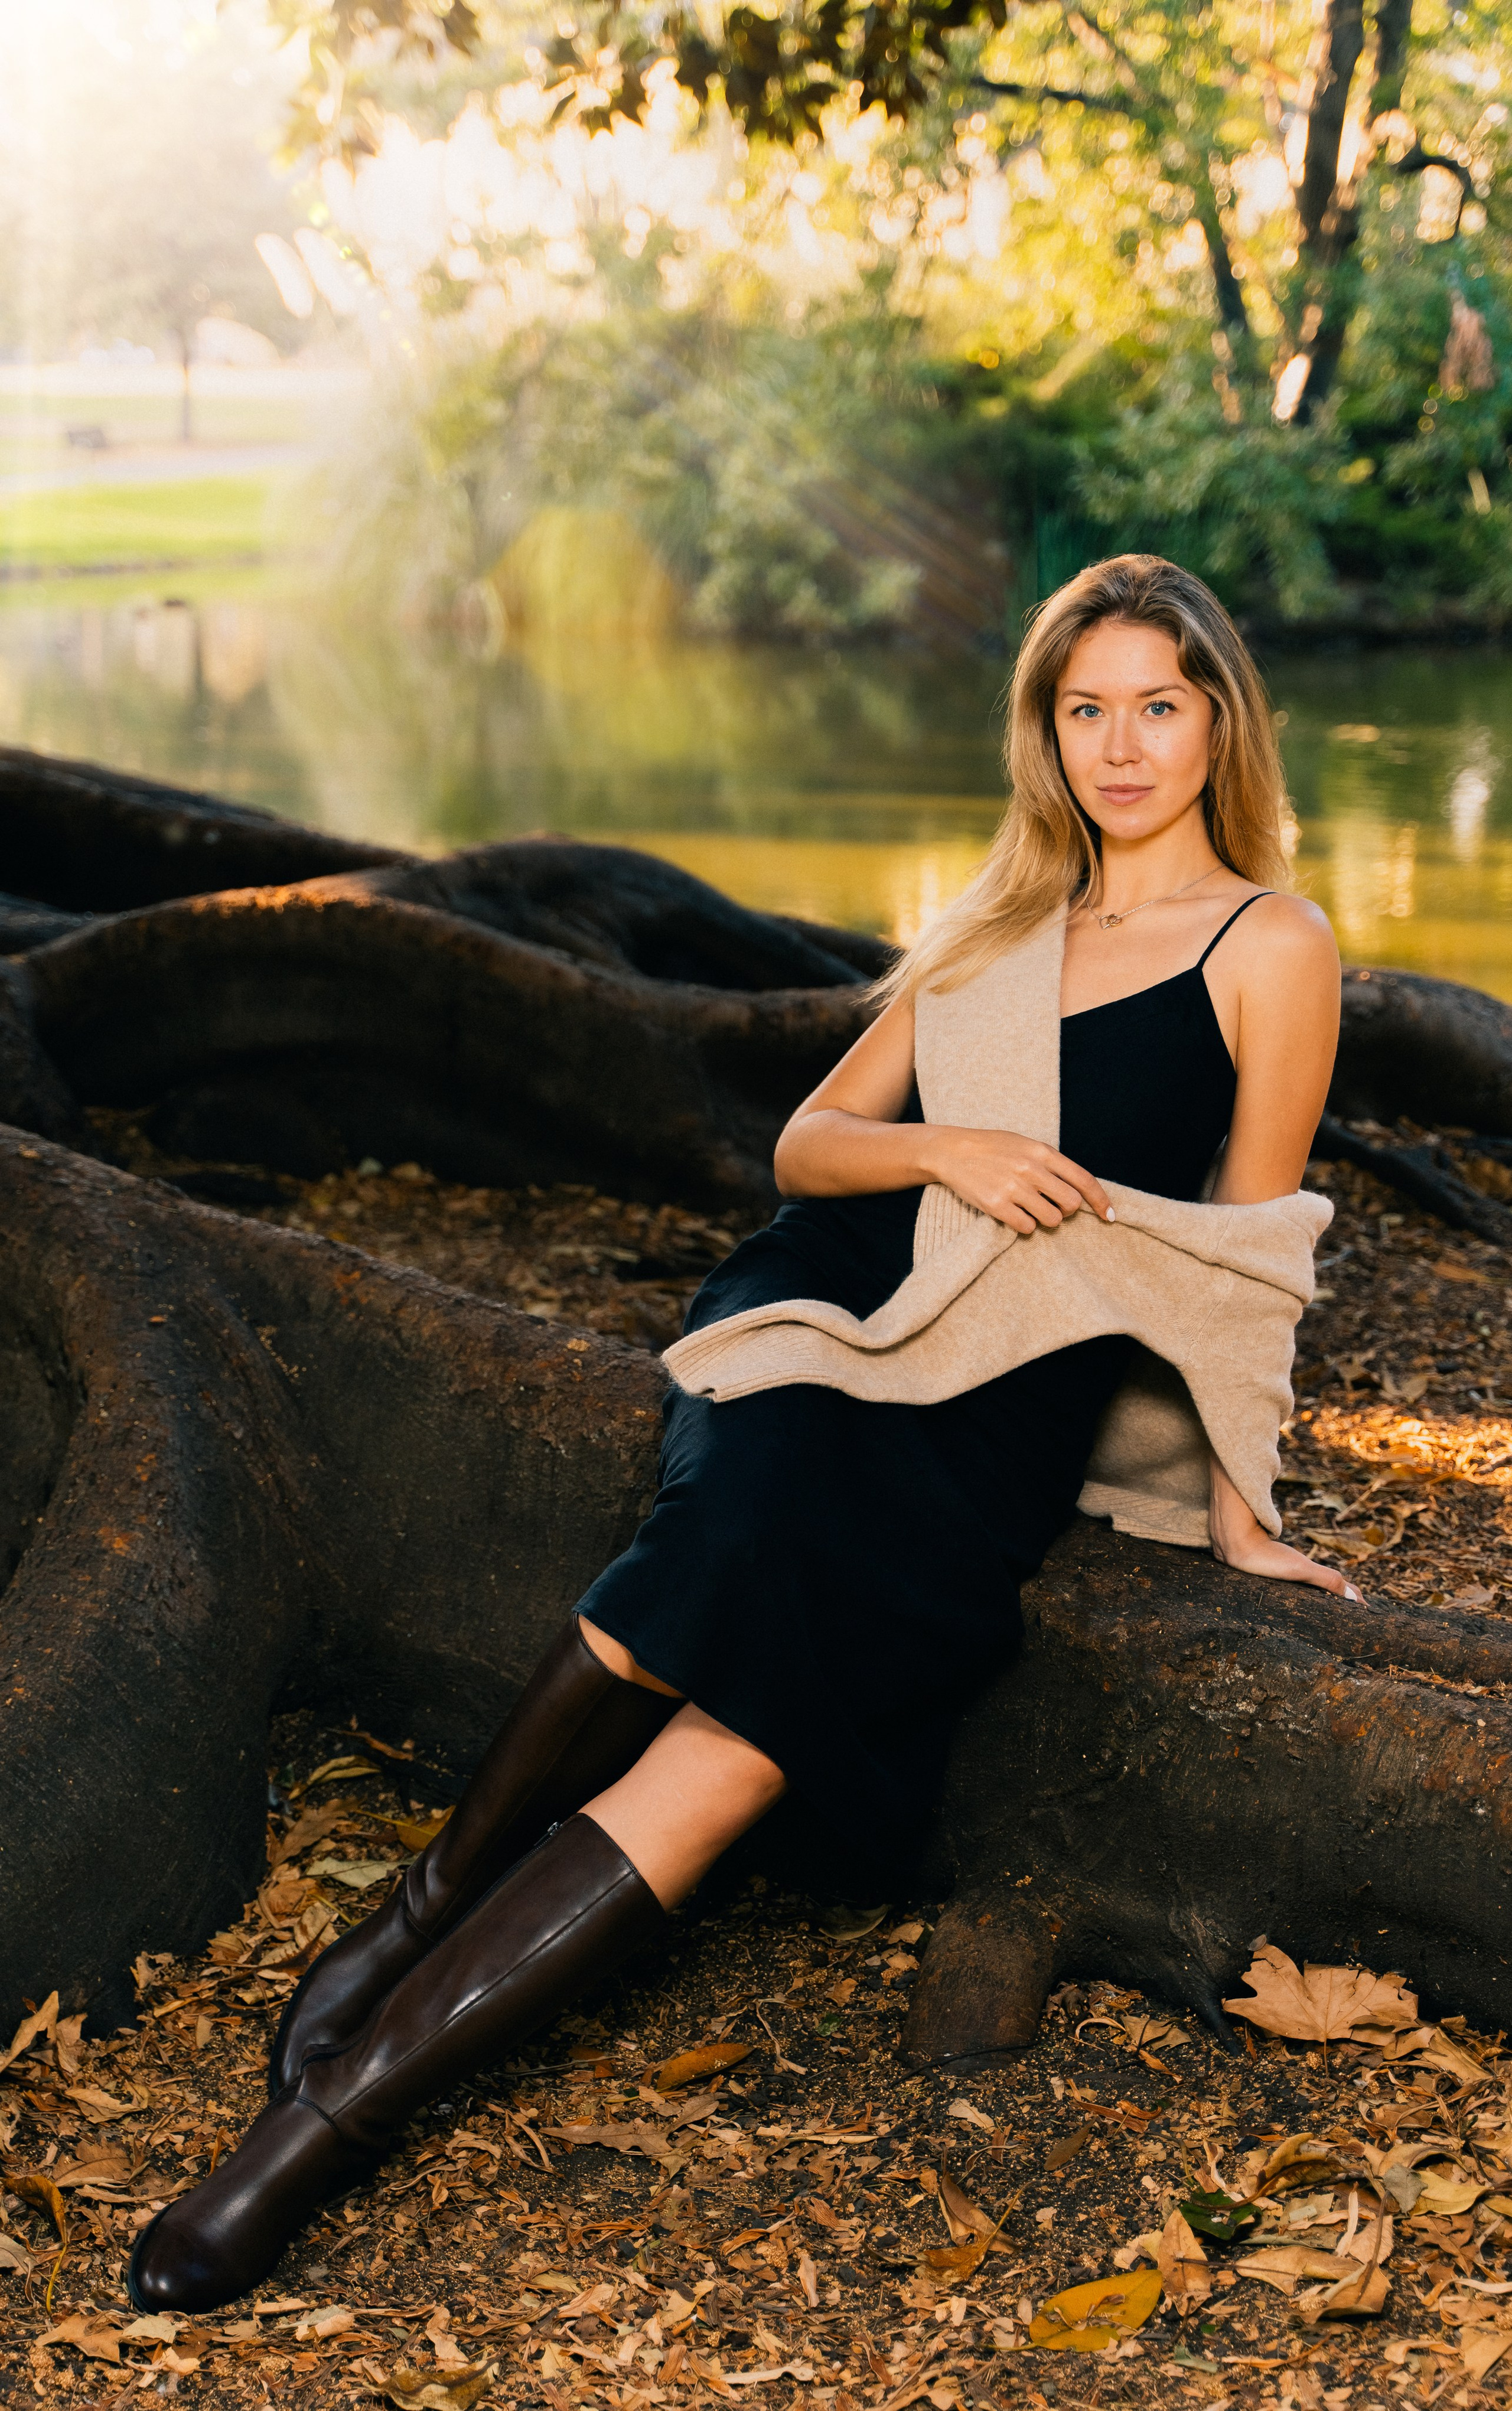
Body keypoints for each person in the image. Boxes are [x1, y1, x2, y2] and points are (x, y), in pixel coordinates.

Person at [129, 553, 1351, 2315]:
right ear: (1046, 732)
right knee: (738, 1517)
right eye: (1086, 709)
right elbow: (807, 1145)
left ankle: (317, 2127)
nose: (1123, 744)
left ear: (1220, 719)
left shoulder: (1273, 945)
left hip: (997, 1412)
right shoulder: (1002, 924)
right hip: (832, 1314)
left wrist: (1243, 1518)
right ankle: (426, 1904)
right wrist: (952, 1148)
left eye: (1159, 704)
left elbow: (1245, 1265)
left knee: (748, 1737)